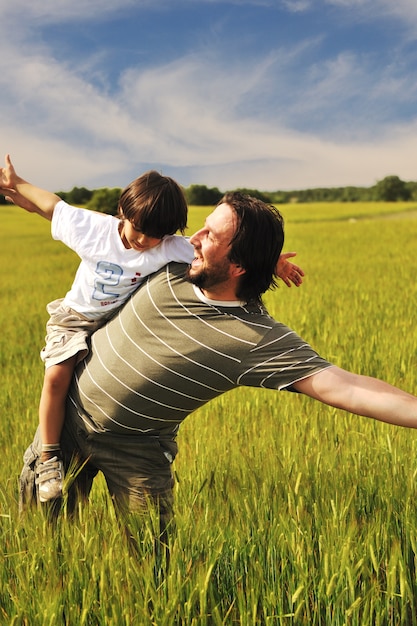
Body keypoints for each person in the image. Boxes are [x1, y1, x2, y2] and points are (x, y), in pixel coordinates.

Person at [13, 185, 417, 557]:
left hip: (137, 451)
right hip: (64, 421)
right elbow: (93, 233)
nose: (192, 240)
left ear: (239, 264)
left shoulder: (256, 338)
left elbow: (347, 387)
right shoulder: (171, 265)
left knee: (152, 565)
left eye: (210, 236)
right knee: (39, 545)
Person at [1, 157, 304, 508]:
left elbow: (226, 252)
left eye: (157, 235)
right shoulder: (94, 230)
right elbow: (53, 207)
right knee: (57, 377)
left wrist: (272, 260)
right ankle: (49, 459)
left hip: (112, 322)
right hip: (75, 318)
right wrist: (17, 183)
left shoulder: (168, 245)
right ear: (122, 212)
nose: (145, 241)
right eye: (138, 230)